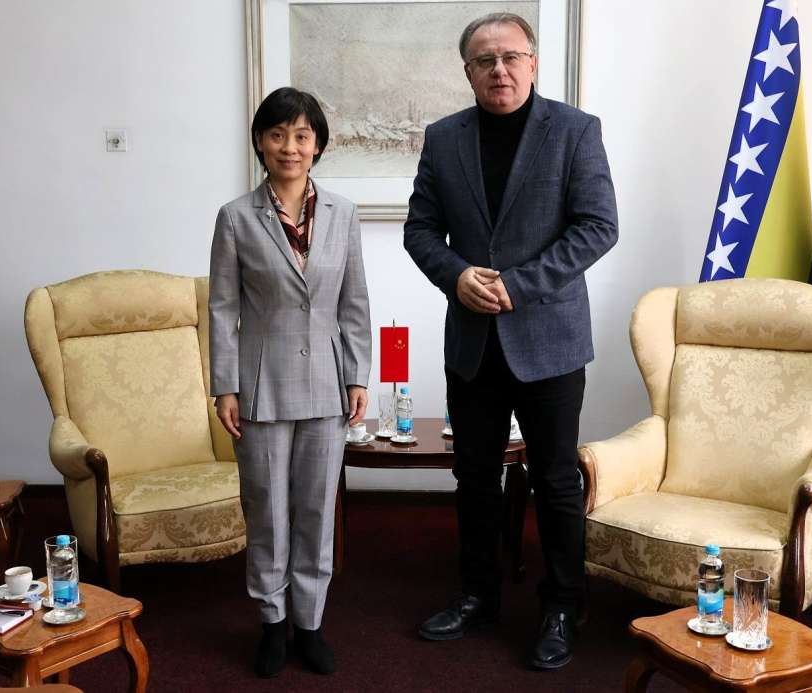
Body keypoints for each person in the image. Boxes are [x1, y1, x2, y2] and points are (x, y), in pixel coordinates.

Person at [403, 13, 618, 670]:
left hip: (549, 339)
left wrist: (518, 285)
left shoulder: (575, 130)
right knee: (474, 475)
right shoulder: (444, 138)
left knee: (555, 479)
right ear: (467, 71)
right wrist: (456, 275)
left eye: (510, 57)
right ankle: (478, 594)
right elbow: (420, 230)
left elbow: (598, 227)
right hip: (472, 342)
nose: (499, 70)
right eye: (484, 60)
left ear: (532, 62)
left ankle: (563, 605)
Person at [209, 87, 371, 678]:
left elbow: (354, 302)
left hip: (327, 381)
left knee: (316, 510)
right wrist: (224, 386)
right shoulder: (235, 217)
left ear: (318, 144)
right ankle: (272, 624)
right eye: (278, 134)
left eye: (302, 135)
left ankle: (311, 623)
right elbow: (223, 309)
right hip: (260, 385)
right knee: (268, 511)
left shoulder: (343, 214)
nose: (290, 146)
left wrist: (357, 375)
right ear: (260, 141)